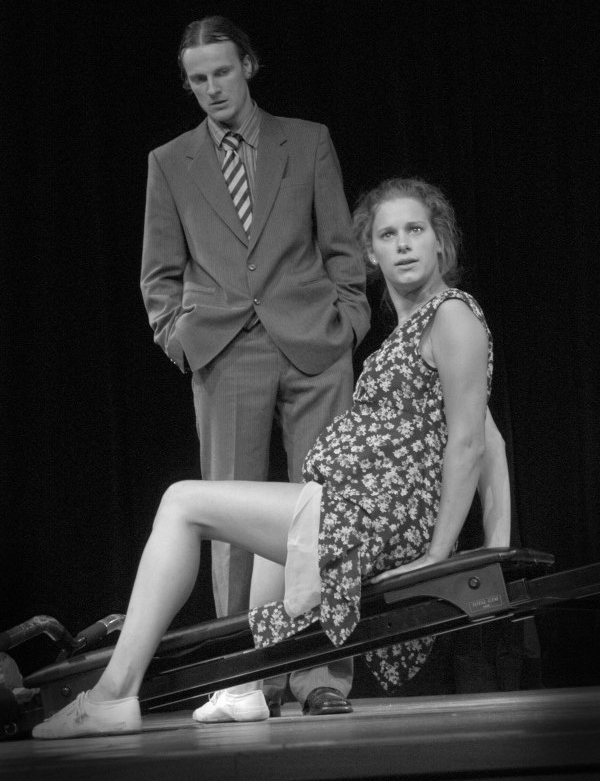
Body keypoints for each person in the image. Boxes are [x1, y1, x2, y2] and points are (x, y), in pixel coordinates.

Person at [32, 177, 510, 739]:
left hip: (380, 516)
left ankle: (113, 694)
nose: (403, 244)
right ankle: (246, 687)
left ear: (440, 243)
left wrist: (451, 556)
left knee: (181, 502)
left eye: (416, 230)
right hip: (356, 505)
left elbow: (472, 443)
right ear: (370, 253)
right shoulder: (415, 328)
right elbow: (491, 436)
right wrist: (493, 546)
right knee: (279, 520)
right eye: (388, 234)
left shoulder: (452, 314)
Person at [139, 16, 370, 715]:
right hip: (223, 348)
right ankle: (249, 677)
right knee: (234, 525)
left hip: (312, 342)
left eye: (221, 72)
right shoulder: (169, 161)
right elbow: (158, 273)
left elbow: (341, 245)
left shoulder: (308, 140)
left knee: (323, 510)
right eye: (198, 78)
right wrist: (176, 337)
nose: (212, 87)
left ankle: (321, 674)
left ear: (248, 66)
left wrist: (349, 322)